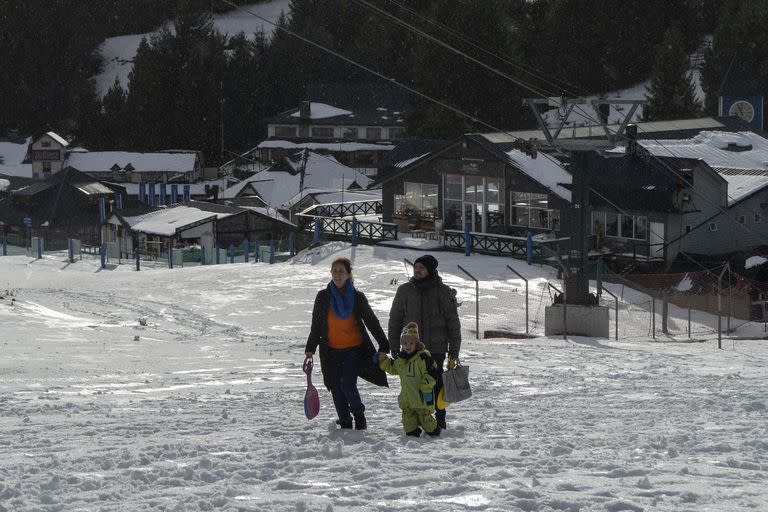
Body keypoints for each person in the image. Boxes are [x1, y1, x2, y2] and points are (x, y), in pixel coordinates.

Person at [305, 257, 390, 430]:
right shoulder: (323, 296)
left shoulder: (357, 297)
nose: (337, 274)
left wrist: (384, 345)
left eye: (341, 271)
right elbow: (317, 325)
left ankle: (359, 415)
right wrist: (310, 348)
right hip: (331, 350)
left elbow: (371, 321)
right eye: (334, 271)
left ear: (348, 274)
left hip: (354, 349)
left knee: (347, 384)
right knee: (335, 386)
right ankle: (344, 419)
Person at [388, 254, 461, 430]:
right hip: (409, 350)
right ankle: (416, 417)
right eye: (416, 267)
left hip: (436, 348)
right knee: (412, 386)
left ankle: (440, 417)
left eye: (421, 267)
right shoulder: (405, 290)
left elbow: (453, 323)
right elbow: (395, 319)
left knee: (434, 383)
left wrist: (454, 351)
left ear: (430, 270)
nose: (417, 270)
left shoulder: (443, 291)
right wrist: (394, 347)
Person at [379, 322, 441, 437]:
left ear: (416, 343)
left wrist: (425, 386)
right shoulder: (400, 360)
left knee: (426, 421)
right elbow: (393, 369)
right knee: (408, 422)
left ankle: (435, 432)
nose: (408, 346)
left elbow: (432, 374)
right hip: (407, 399)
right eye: (405, 343)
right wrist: (384, 361)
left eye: (411, 343)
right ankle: (412, 435)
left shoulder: (423, 357)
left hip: (422, 397)